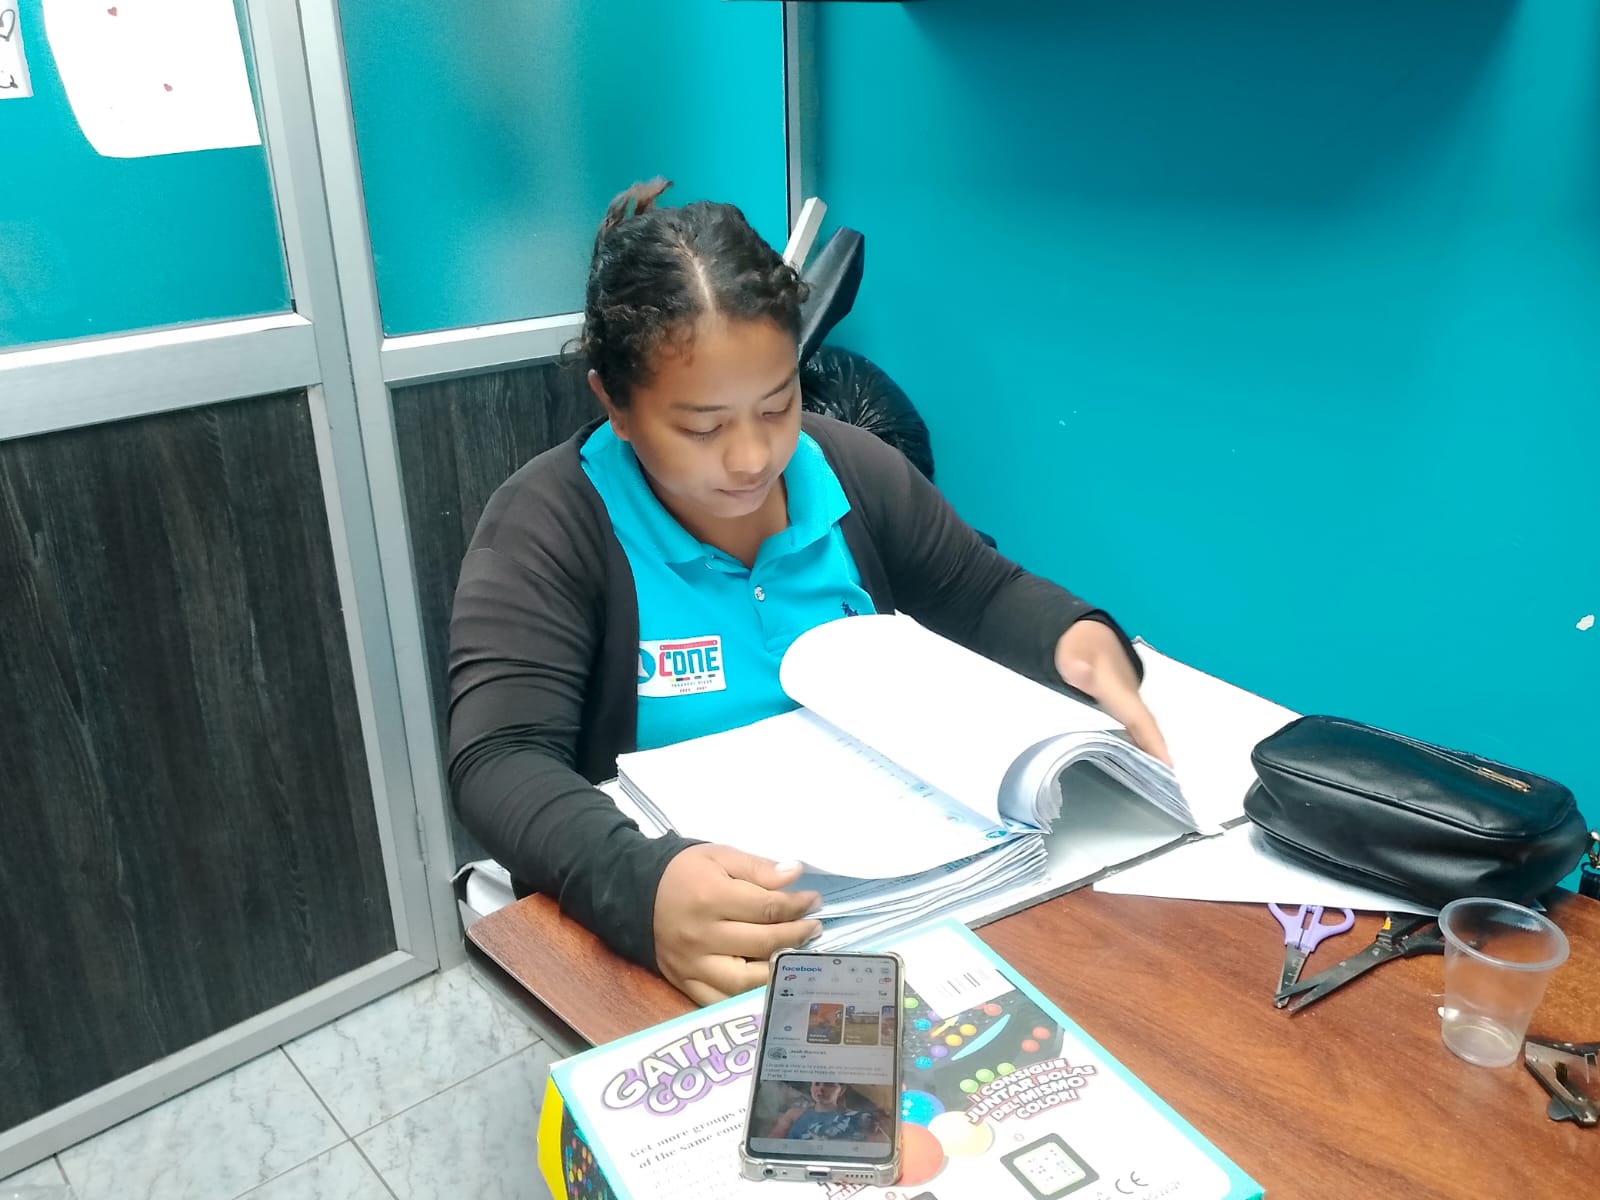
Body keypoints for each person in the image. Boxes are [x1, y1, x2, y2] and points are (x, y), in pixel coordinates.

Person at [447, 178, 1169, 1004]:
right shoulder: (550, 526)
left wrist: (1073, 636)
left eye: (777, 404)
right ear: (615, 402)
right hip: (698, 930)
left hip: (904, 899)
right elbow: (499, 760)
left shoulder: (849, 470)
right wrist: (637, 884)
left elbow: (980, 591)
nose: (753, 458)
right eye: (703, 427)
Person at [765, 1081, 889, 1142]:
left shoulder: (859, 1117)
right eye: (817, 1084)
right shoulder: (794, 1114)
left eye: (829, 1084)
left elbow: (883, 1146)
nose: (821, 1089)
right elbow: (771, 1142)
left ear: (841, 1090)